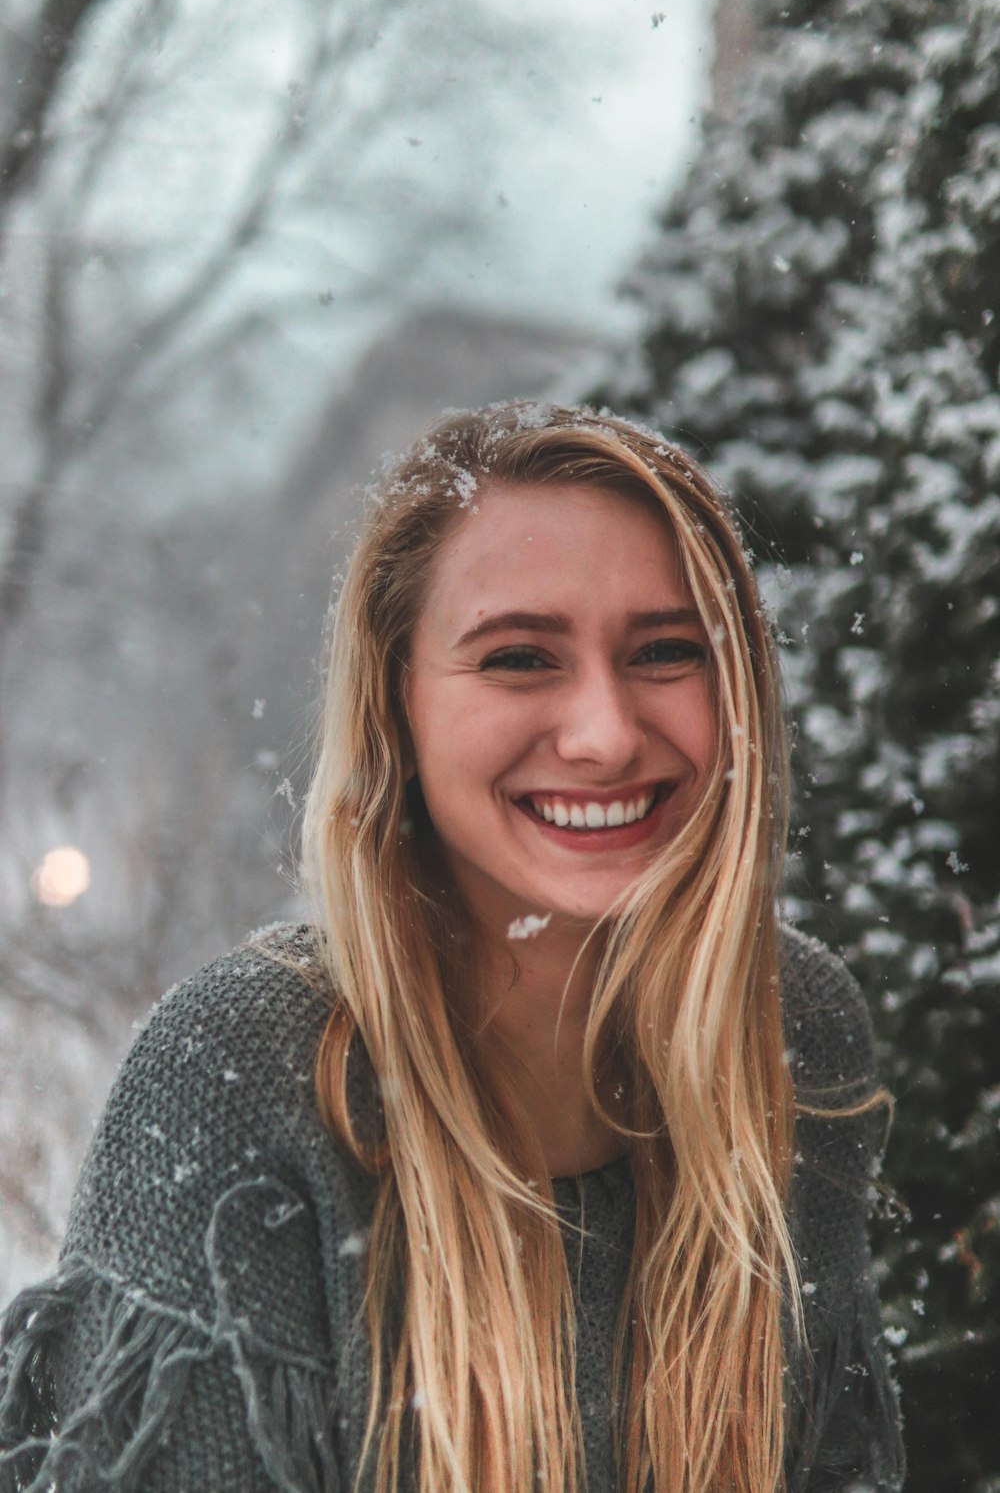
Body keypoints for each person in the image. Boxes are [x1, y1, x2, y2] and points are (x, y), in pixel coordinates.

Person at [0, 402, 904, 1492]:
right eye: (519, 657)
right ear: (398, 708)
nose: (605, 733)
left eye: (666, 651)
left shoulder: (792, 1030)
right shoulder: (242, 1073)